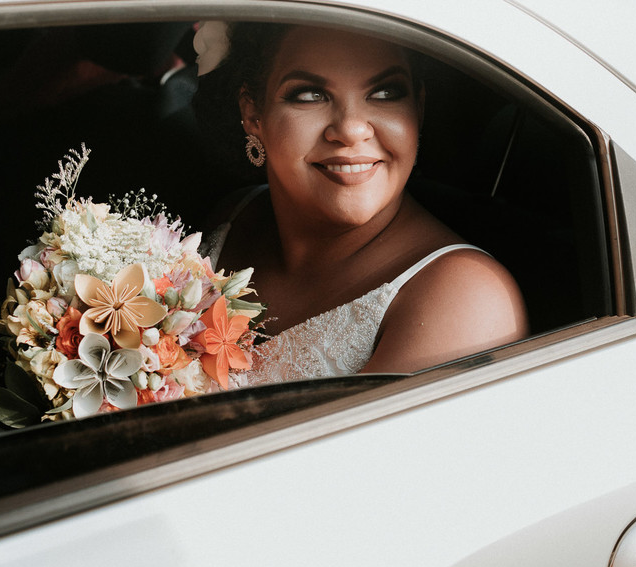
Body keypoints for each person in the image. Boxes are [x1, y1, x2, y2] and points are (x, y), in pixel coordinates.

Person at [199, 22, 528, 385]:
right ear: (253, 113)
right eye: (310, 95)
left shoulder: (467, 301)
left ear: (417, 108)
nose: (352, 129)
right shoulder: (234, 217)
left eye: (386, 93)